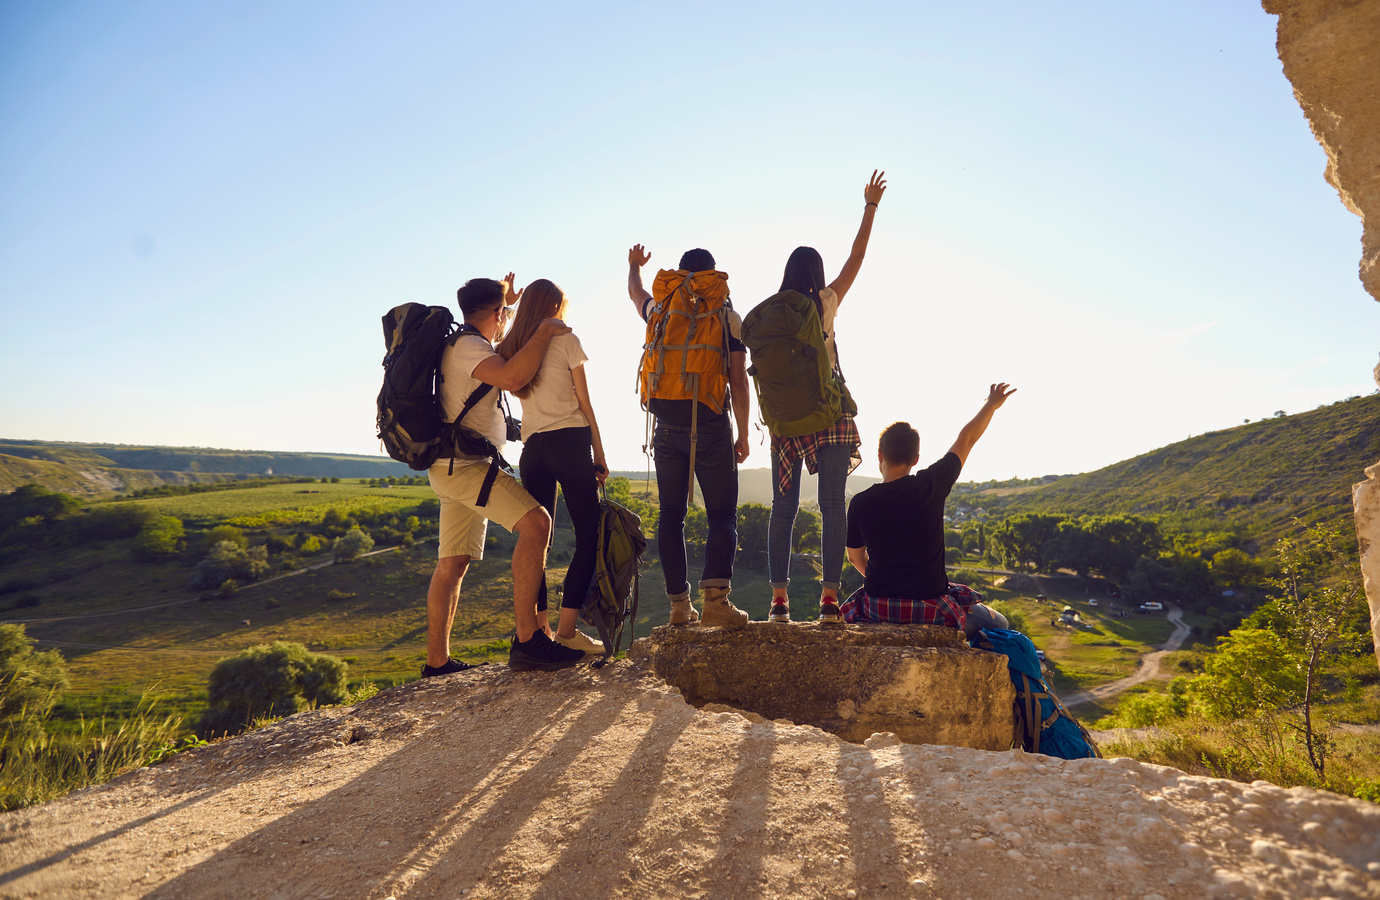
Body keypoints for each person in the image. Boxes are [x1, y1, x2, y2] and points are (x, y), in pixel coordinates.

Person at [424, 275, 586, 675]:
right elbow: (514, 377)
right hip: (466, 467)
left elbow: (502, 340)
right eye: (502, 314)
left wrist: (509, 302)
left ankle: (436, 663)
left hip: (450, 466)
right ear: (494, 314)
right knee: (537, 524)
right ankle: (529, 641)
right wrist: (546, 327)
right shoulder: (469, 347)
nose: (505, 320)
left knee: (452, 563)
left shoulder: (462, 343)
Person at [767, 170, 886, 625]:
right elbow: (857, 258)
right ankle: (830, 601)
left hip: (784, 420)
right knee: (832, 504)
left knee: (784, 508)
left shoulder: (771, 314)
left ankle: (779, 602)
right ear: (816, 275)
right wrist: (870, 207)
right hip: (829, 414)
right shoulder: (826, 303)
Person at [627, 244, 751, 627]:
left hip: (666, 426)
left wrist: (634, 265)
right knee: (722, 515)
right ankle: (716, 603)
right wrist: (743, 433)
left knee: (671, 516)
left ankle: (680, 608)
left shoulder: (662, 309)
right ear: (712, 275)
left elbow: (636, 294)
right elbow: (737, 378)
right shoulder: (727, 315)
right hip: (712, 423)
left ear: (680, 275)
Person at [840, 383, 1018, 636]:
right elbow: (966, 439)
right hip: (932, 609)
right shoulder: (930, 485)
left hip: (878, 608)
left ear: (879, 455)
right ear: (915, 459)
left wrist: (888, 580)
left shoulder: (860, 502)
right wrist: (991, 404)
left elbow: (855, 558)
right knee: (1000, 624)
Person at [495, 278, 608, 657]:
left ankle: (539, 630)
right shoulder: (567, 342)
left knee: (537, 542)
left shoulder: (514, 348)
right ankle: (567, 630)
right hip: (571, 443)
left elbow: (501, 336)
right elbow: (586, 404)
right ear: (555, 307)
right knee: (588, 539)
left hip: (533, 449)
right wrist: (600, 453)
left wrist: (509, 306)